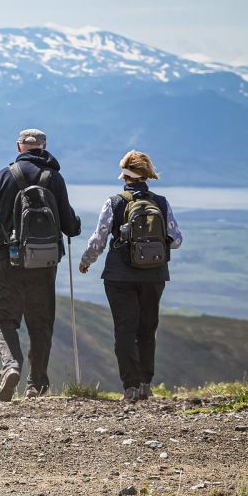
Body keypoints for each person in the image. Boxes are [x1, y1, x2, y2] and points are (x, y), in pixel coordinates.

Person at [0, 129, 80, 401]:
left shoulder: (5, 175)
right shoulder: (54, 178)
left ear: (20, 146)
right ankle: (37, 384)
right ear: (44, 147)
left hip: (9, 258)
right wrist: (75, 224)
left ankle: (11, 365)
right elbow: (69, 225)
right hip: (44, 262)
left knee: (3, 319)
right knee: (40, 321)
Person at [78, 151, 182, 403]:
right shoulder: (161, 202)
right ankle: (146, 384)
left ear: (125, 177)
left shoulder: (114, 202)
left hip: (120, 276)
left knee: (124, 330)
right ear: (145, 176)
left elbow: (99, 240)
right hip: (154, 274)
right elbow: (176, 240)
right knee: (147, 329)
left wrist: (86, 261)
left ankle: (130, 387)